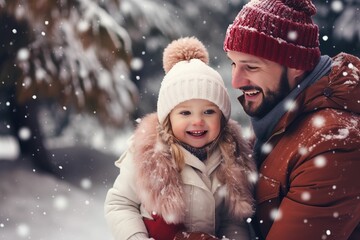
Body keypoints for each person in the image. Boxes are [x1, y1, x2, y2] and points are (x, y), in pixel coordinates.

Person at [223, 0, 360, 239]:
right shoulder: (277, 121)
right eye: (233, 63)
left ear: (295, 65)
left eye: (251, 67)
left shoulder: (333, 141)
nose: (236, 81)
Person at [104, 37, 257, 240]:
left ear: (222, 117)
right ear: (168, 118)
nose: (198, 121)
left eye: (209, 112)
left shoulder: (229, 159)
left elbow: (233, 221)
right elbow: (121, 204)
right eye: (185, 113)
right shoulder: (148, 156)